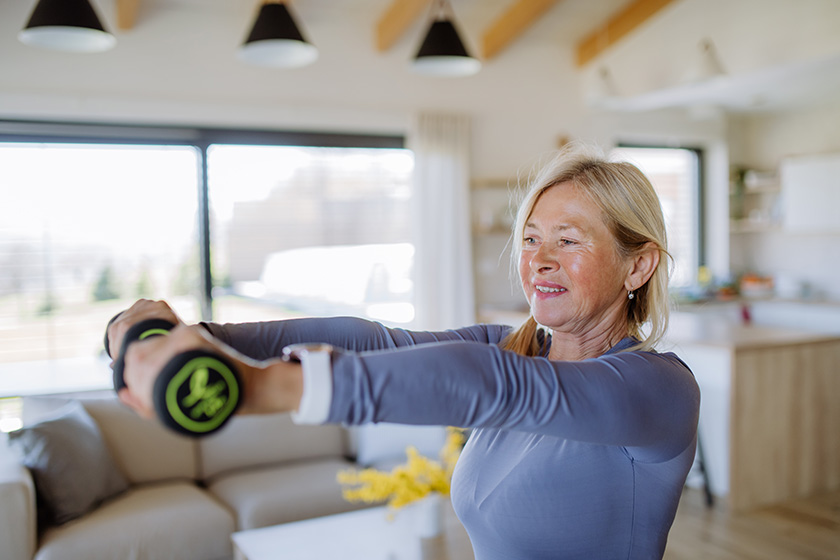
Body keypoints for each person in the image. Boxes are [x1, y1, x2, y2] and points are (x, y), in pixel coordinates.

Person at [109, 142, 700, 560]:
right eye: (530, 239)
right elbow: (376, 340)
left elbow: (492, 385)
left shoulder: (658, 389)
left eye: (568, 241)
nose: (539, 259)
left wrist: (265, 387)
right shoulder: (516, 349)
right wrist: (201, 338)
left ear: (638, 265)